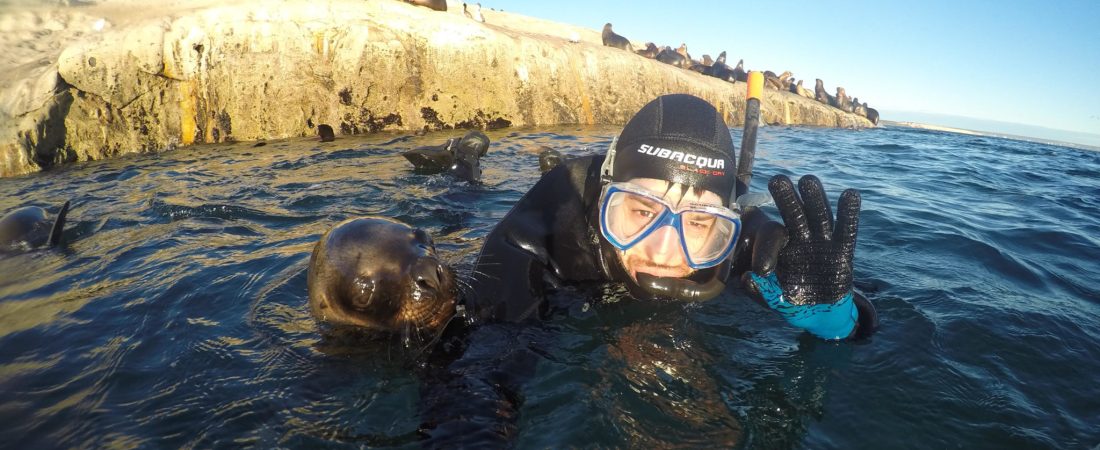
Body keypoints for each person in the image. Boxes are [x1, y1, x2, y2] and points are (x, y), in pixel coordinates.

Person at [464, 93, 876, 339]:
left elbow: (866, 326)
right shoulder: (540, 234)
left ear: (727, 220)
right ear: (606, 194)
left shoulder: (751, 248)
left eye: (697, 223)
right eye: (642, 210)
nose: (662, 252)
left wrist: (838, 318)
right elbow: (477, 381)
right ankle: (463, 172)